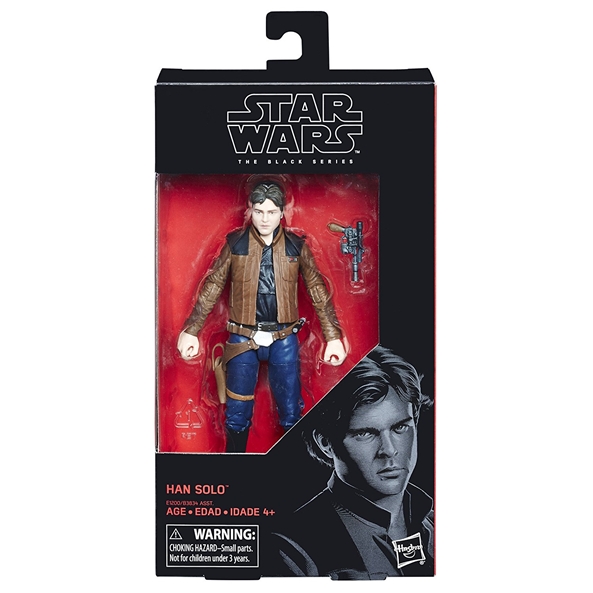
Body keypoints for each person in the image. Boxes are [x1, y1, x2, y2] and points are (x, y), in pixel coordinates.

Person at [177, 181, 347, 452]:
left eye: (271, 212)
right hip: (243, 338)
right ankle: (235, 467)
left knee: (291, 412)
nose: (265, 219)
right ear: (250, 211)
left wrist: (333, 336)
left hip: (284, 338)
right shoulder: (236, 245)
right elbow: (213, 286)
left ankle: (297, 467)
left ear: (282, 212)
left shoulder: (295, 246)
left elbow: (317, 289)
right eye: (259, 211)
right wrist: (192, 330)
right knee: (236, 413)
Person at [270, 346, 434, 579]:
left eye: (400, 427)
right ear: (325, 443)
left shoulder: (436, 524)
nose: (389, 450)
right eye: (365, 433)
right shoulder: (294, 550)